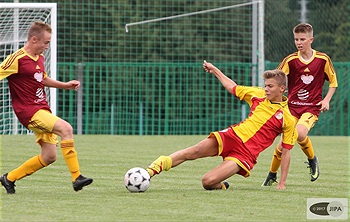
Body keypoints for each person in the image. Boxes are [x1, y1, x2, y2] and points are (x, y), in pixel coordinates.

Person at [145, 60, 297, 190]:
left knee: (207, 182)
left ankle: (223, 186)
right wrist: (215, 70)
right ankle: (149, 171)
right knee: (192, 151)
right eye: (265, 85)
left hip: (245, 154)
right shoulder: (257, 94)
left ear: (281, 89)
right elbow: (232, 87)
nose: (266, 89)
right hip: (231, 136)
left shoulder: (287, 118)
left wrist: (282, 183)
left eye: (270, 86)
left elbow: (286, 152)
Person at [0, 21, 93, 194]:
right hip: (28, 111)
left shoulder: (39, 57)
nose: (47, 47)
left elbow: (41, 79)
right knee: (66, 129)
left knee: (49, 156)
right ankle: (76, 177)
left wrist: (65, 85)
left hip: (42, 109)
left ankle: (9, 178)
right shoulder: (16, 59)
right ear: (34, 39)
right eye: (46, 42)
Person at [262, 23, 338, 186]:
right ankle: (272, 174)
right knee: (282, 145)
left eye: (302, 39)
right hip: (291, 108)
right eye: (296, 39)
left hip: (311, 108)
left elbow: (333, 82)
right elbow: (277, 79)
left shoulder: (322, 59)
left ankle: (312, 159)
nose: (299, 42)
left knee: (300, 134)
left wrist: (326, 100)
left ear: (311, 39)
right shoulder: (290, 60)